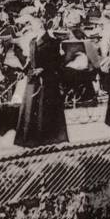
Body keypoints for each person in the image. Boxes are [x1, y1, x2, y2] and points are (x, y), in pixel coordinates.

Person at [14, 17, 69, 147]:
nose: (31, 27)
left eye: (32, 25)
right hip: (32, 79)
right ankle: (29, 140)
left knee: (45, 109)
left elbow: (57, 62)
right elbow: (30, 60)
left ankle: (49, 139)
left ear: (40, 26)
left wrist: (44, 69)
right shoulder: (32, 41)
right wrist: (23, 71)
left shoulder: (53, 42)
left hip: (47, 81)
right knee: (29, 108)